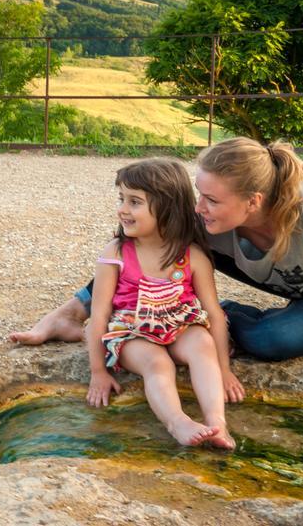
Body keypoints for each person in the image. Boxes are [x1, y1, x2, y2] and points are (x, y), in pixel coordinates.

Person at [11, 138, 303, 401]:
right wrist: (81, 306)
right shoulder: (211, 220)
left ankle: (198, 313)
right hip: (277, 280)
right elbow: (139, 251)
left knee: (272, 339)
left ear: (253, 200)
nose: (199, 207)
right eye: (200, 194)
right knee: (164, 241)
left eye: (211, 199)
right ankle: (72, 314)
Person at [83, 158, 235, 449]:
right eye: (122, 199)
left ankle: (217, 423)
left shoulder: (192, 256)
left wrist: (224, 368)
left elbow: (215, 314)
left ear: (167, 208)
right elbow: (98, 314)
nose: (123, 209)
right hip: (131, 332)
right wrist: (98, 371)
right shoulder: (116, 252)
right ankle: (178, 423)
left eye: (135, 202)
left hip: (179, 325)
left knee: (202, 343)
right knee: (158, 362)